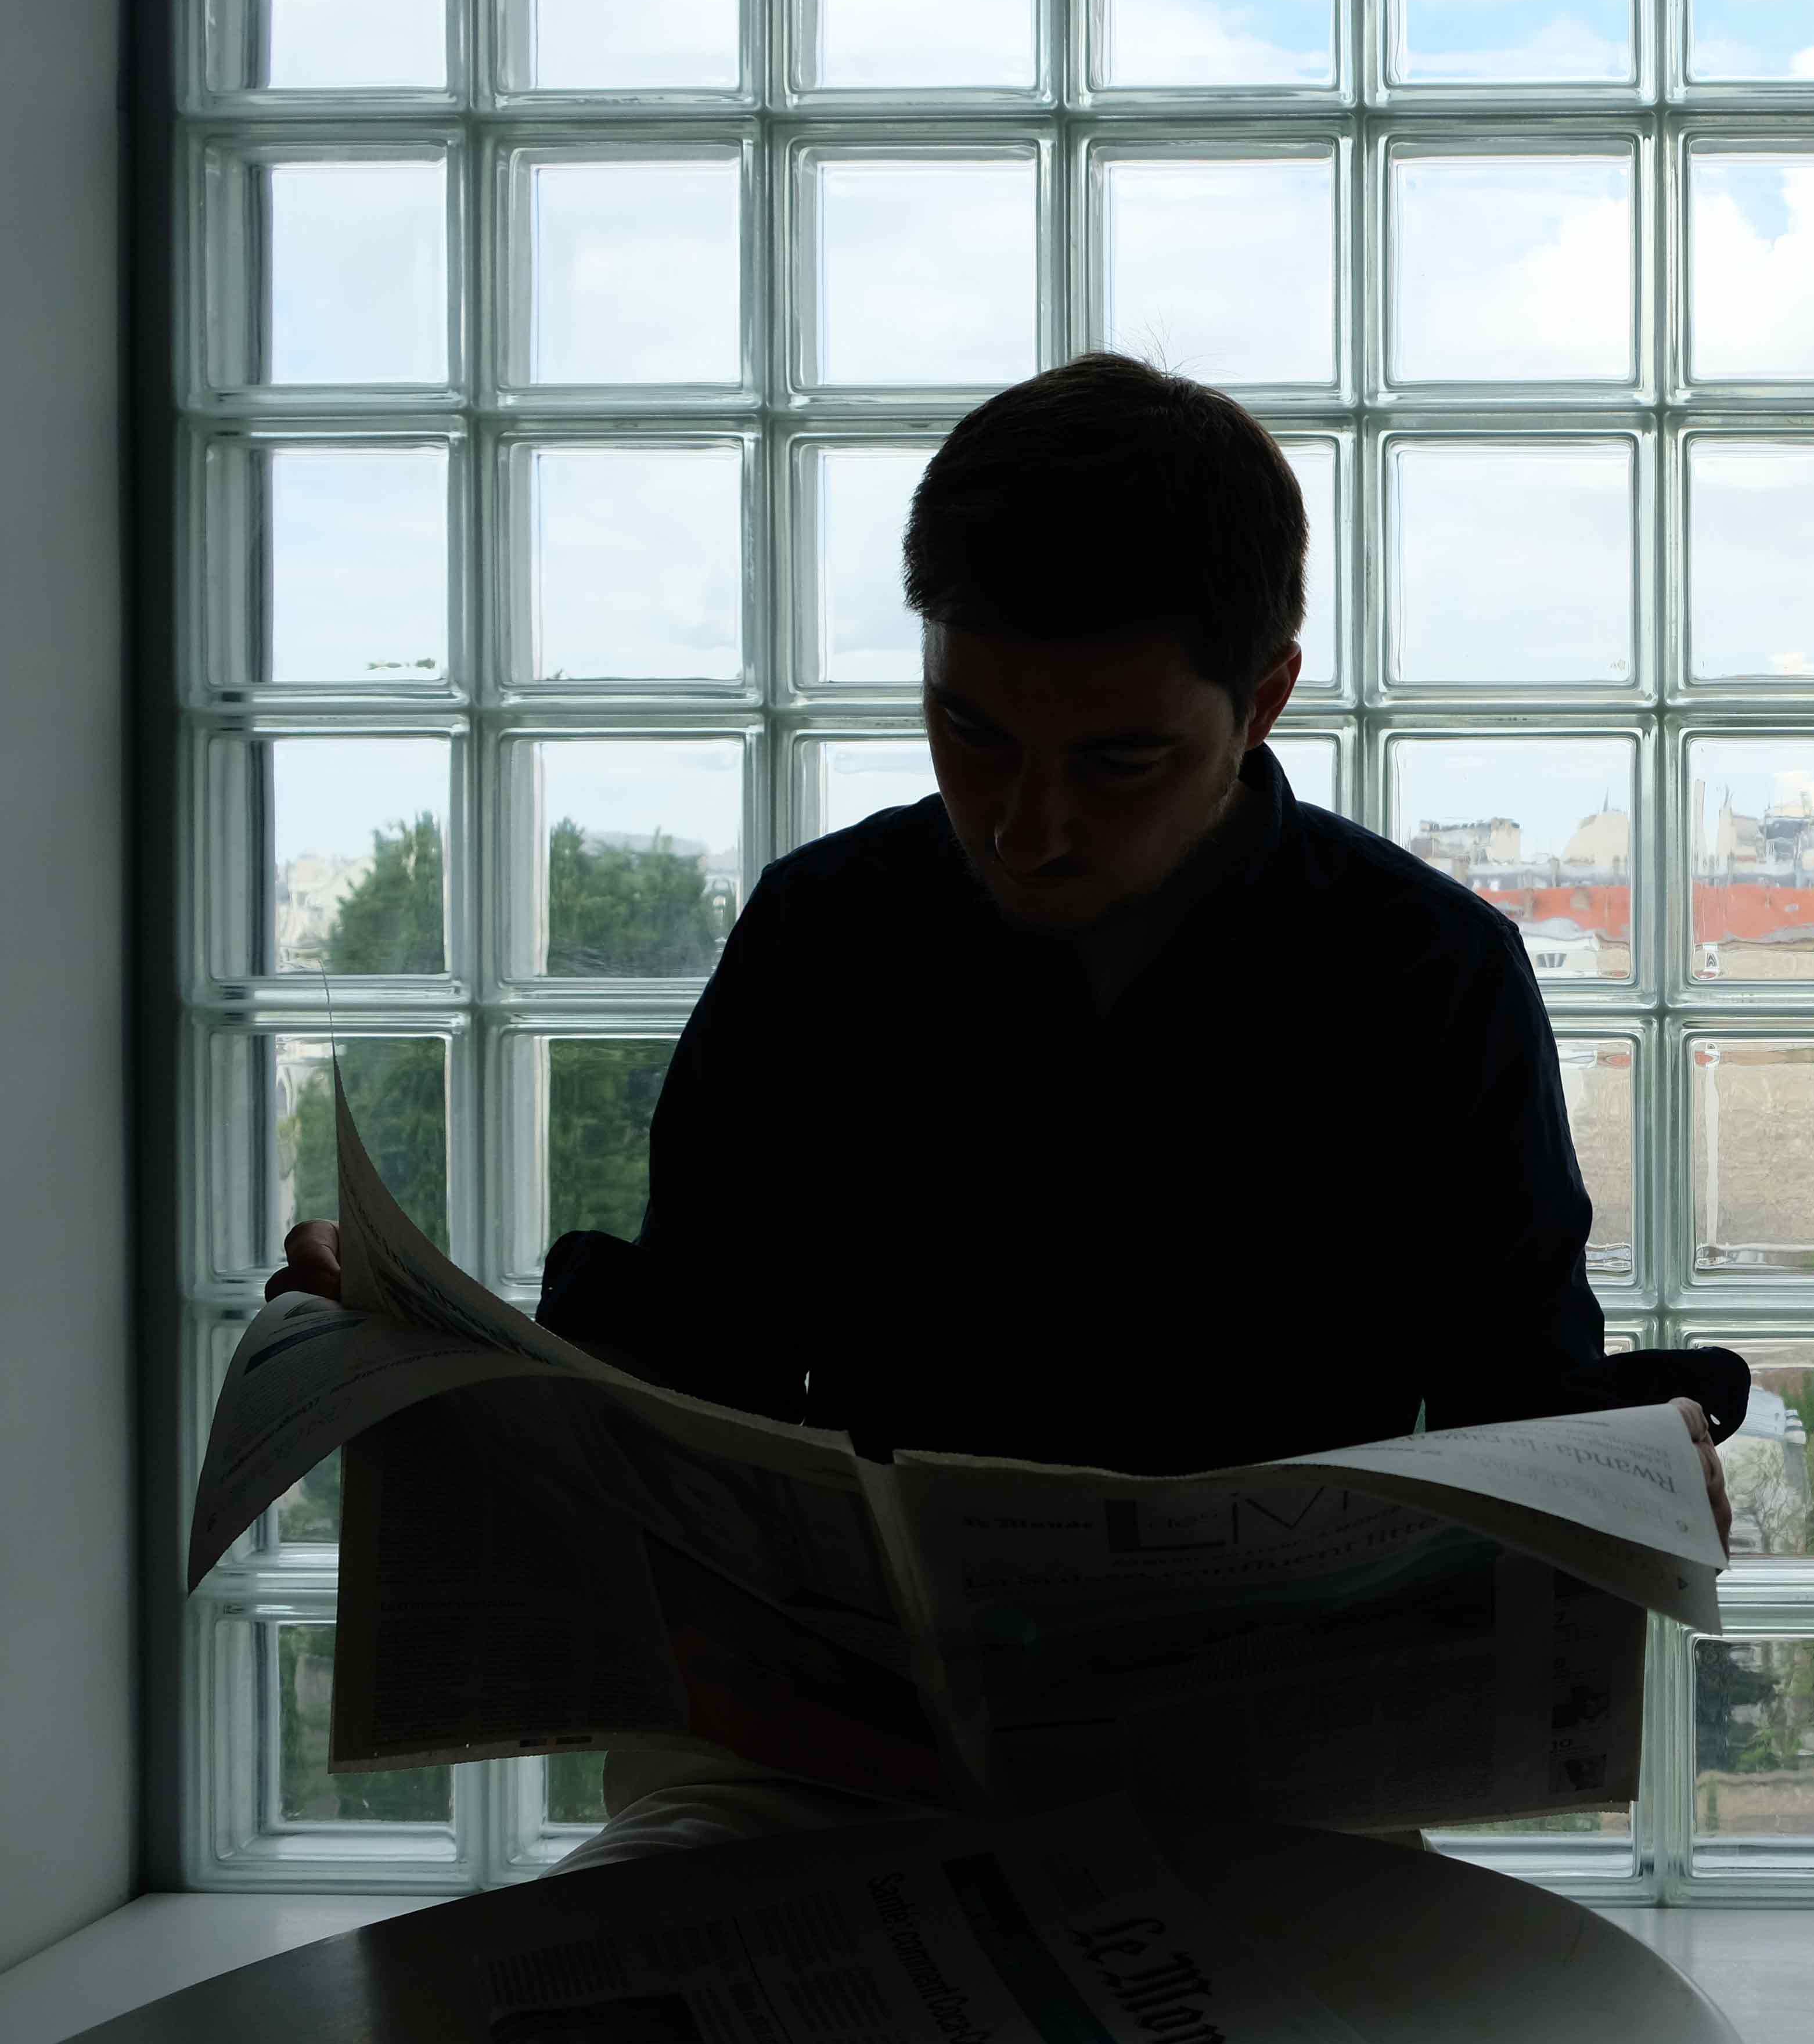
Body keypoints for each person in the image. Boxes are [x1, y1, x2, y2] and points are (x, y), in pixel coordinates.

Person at [268, 350, 1732, 1530]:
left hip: (1256, 1760)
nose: (1025, 826)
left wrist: (1628, 1475)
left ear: (1268, 696)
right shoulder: (825, 932)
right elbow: (697, 1368)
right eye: (970, 729)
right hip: (865, 1740)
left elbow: (1507, 1406)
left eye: (1118, 763)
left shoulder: (1426, 976)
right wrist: (444, 1357)